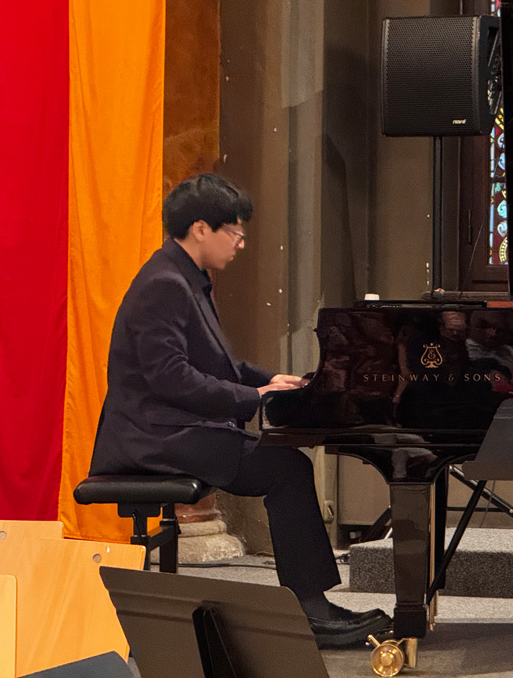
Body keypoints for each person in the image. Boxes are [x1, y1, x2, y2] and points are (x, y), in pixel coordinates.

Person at [88, 172, 391, 647]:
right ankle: (310, 611)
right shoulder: (164, 284)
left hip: (171, 428)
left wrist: (271, 380)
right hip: (152, 437)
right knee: (285, 468)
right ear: (200, 229)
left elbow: (217, 364)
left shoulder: (185, 277)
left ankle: (312, 605)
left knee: (286, 464)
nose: (241, 242)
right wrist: (254, 397)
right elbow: (169, 376)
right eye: (234, 230)